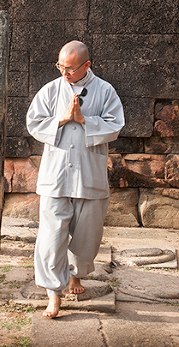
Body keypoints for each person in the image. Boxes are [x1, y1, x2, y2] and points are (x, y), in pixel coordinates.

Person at [26, 40, 125, 318]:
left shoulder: (105, 91)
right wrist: (62, 118)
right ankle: (53, 294)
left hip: (89, 174)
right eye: (60, 66)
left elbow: (115, 125)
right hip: (56, 175)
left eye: (69, 68)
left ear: (86, 65)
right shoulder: (50, 90)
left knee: (87, 236)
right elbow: (33, 122)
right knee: (51, 236)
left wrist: (84, 121)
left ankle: (76, 276)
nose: (64, 72)